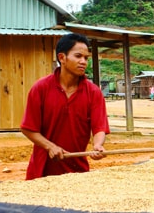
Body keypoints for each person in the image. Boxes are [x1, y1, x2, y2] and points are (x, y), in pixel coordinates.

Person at [20, 33, 110, 180]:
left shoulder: (94, 92)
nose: (83, 62)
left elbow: (99, 128)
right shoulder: (41, 88)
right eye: (78, 56)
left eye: (86, 58)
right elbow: (28, 128)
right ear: (62, 58)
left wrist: (98, 145)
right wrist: (50, 147)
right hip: (41, 172)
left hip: (77, 173)